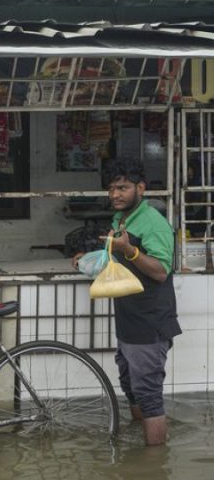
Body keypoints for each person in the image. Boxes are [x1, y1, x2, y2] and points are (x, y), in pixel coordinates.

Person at [73, 156, 181, 446]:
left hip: (150, 322)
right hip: (128, 320)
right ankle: (138, 445)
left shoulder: (154, 223)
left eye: (122, 188)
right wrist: (90, 259)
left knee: (148, 396)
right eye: (111, 189)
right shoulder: (121, 219)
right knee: (131, 387)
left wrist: (130, 250)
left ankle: (154, 464)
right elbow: (116, 256)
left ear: (141, 188)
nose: (115, 195)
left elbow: (160, 271)